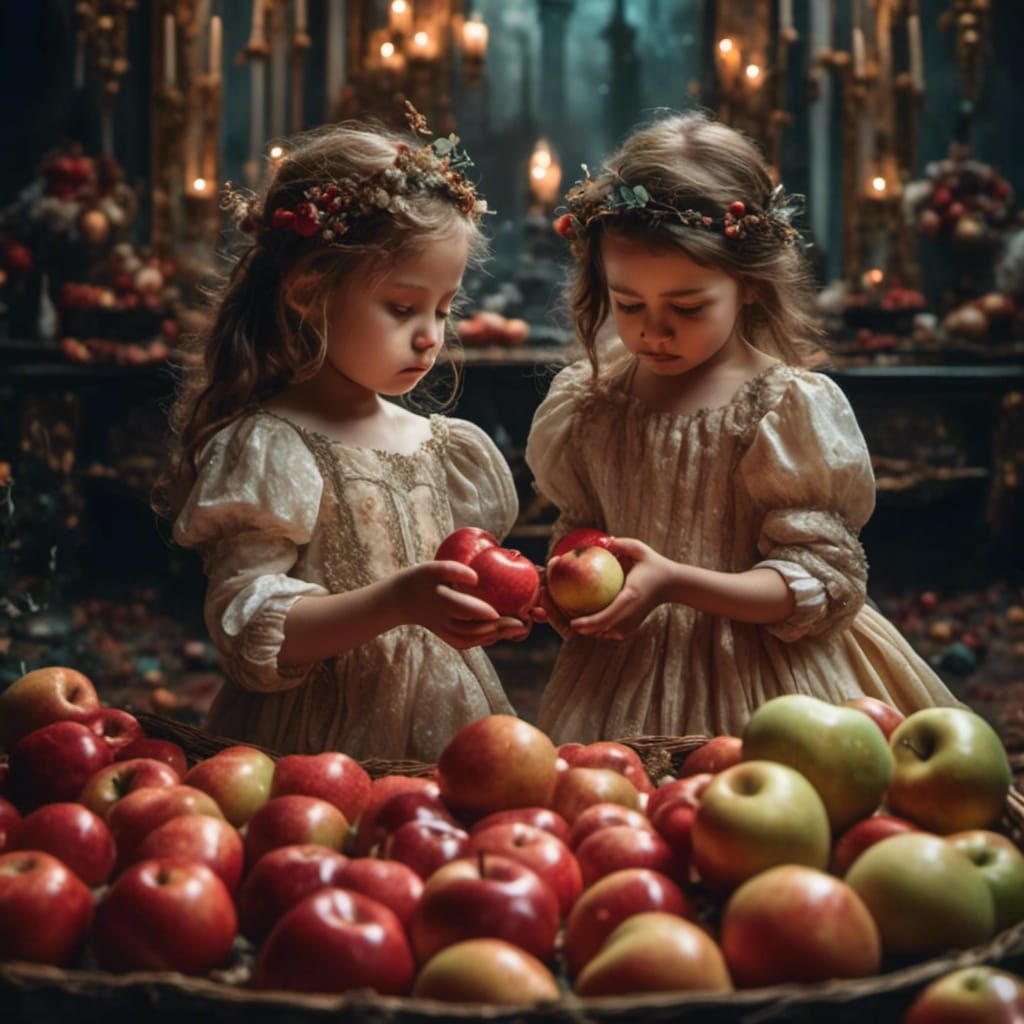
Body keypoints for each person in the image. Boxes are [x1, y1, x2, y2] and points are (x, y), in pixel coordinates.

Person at [526, 111, 959, 743]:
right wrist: (562, 590)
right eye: (628, 304)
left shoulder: (784, 409)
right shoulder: (591, 405)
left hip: (766, 679)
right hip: (620, 681)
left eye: (687, 306)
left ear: (750, 284)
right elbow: (583, 538)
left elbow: (818, 579)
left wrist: (676, 582)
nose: (653, 330)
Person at [158, 107, 530, 761]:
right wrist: (396, 601)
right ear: (309, 290)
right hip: (315, 748)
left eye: (444, 310)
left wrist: (496, 607)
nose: (430, 336)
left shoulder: (446, 450)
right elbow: (249, 632)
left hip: (447, 732)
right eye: (402, 307)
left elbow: (459, 586)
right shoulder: (271, 449)